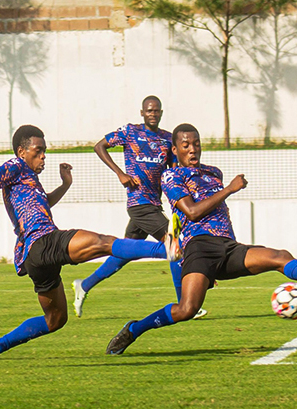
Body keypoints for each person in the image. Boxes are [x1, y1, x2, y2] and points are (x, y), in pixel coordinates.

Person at [105, 123, 297, 355]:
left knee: (279, 256)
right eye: (186, 145)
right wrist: (229, 189)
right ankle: (134, 329)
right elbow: (192, 212)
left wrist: (229, 234)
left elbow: (222, 213)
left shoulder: (213, 172)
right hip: (199, 249)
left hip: (228, 247)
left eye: (196, 144)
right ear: (175, 149)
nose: (192, 149)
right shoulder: (172, 176)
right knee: (186, 309)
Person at [0, 125, 181, 359]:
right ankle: (167, 249)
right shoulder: (16, 165)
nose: (43, 156)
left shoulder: (27, 178)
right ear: (22, 151)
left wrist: (65, 185)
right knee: (104, 242)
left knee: (56, 320)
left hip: (33, 258)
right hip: (44, 241)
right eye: (38, 150)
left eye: (45, 151)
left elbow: (43, 204)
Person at [72, 96, 207, 319]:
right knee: (174, 246)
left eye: (156, 111)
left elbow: (174, 169)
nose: (153, 114)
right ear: (142, 113)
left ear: (161, 113)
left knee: (124, 252)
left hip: (155, 203)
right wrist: (120, 174)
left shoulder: (166, 139)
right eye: (149, 111)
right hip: (138, 203)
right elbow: (100, 146)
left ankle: (84, 285)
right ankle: (185, 304)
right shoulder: (130, 132)